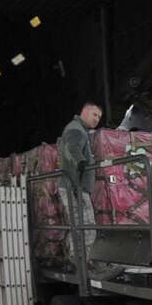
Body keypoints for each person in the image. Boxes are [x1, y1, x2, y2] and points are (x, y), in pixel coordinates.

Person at [57, 99, 102, 267]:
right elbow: (71, 148)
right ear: (84, 112)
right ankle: (83, 262)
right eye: (94, 114)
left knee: (78, 223)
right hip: (75, 186)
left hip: (75, 186)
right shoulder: (76, 130)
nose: (97, 119)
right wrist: (81, 162)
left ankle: (74, 258)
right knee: (87, 225)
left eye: (99, 116)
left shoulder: (77, 129)